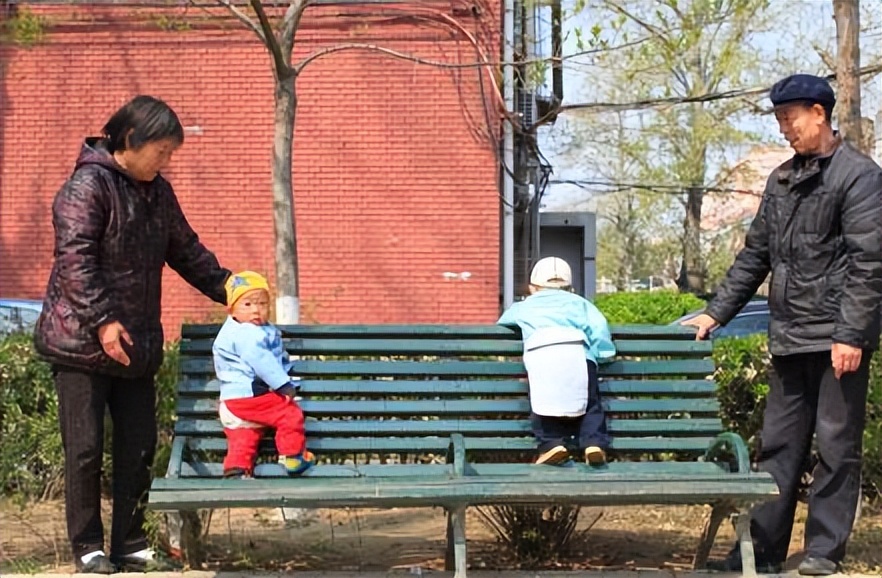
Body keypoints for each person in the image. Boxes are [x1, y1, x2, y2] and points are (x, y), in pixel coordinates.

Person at [683, 74, 882, 576]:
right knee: (777, 449)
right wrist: (716, 311)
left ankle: (822, 551)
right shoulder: (781, 180)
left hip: (838, 340)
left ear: (819, 114)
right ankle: (762, 551)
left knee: (836, 448)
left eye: (790, 118)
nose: (784, 129)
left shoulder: (859, 177)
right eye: (778, 120)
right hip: (790, 337)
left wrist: (851, 334)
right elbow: (756, 255)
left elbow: (868, 263)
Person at [33, 95, 232, 574]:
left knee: (138, 447)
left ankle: (129, 543)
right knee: (83, 450)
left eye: (170, 154)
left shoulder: (158, 192)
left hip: (135, 346)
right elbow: (75, 262)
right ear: (130, 141)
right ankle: (88, 547)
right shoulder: (86, 188)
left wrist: (232, 288)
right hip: (80, 344)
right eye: (161, 151)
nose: (166, 162)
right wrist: (103, 320)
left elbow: (185, 249)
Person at [497, 257, 616, 466]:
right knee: (590, 404)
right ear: (570, 288)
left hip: (542, 357)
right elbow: (599, 329)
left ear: (532, 288)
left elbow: (504, 321)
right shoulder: (580, 304)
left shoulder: (524, 307)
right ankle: (593, 443)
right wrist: (603, 354)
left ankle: (552, 444)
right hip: (578, 355)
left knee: (542, 404)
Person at [212, 271, 315, 478]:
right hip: (250, 396)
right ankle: (293, 455)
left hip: (233, 403)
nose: (256, 311)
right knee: (289, 413)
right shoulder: (247, 332)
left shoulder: (236, 330)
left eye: (262, 304)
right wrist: (283, 384)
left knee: (245, 434)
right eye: (247, 305)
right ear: (232, 308)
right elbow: (262, 361)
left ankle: (236, 469)